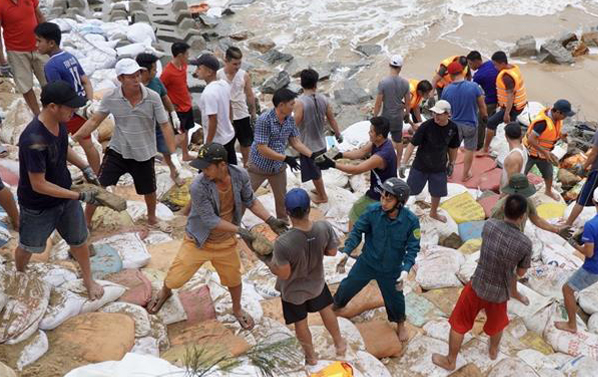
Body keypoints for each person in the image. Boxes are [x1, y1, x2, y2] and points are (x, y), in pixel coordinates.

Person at [145, 143, 277, 330]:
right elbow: (210, 220)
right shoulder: (199, 185)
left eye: (207, 167)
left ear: (222, 165)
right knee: (176, 277)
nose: (203, 171)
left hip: (225, 242)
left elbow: (251, 200)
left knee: (234, 279)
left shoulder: (240, 175)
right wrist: (240, 231)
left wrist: (270, 220)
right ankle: (165, 291)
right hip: (198, 241)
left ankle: (237, 308)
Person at [15, 81, 103, 298]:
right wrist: (79, 195)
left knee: (79, 240)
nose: (73, 111)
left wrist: (85, 167)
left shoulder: (59, 123)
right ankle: (19, 274)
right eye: (69, 107)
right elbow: (39, 184)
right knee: (29, 246)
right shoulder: (33, 139)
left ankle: (88, 280)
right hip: (38, 206)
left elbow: (63, 149)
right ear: (53, 106)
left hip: (65, 197)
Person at [432, 194, 532, 371]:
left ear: (503, 209)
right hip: (500, 293)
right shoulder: (525, 243)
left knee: (459, 323)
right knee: (497, 324)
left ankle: (450, 360)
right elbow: (521, 272)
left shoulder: (490, 225)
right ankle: (493, 350)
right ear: (523, 216)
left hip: (478, 285)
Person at [73, 59, 175, 232]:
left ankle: (152, 218)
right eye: (131, 77)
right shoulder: (112, 97)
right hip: (118, 150)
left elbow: (165, 124)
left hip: (144, 153)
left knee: (149, 189)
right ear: (121, 79)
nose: (136, 80)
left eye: (138, 75)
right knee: (100, 185)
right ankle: (85, 222)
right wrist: (74, 138)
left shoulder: (152, 97)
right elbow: (95, 120)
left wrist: (172, 152)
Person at [266, 188, 346, 364]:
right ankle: (340, 344)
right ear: (309, 208)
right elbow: (332, 252)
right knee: (326, 310)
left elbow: (285, 273)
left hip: (294, 292)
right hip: (316, 283)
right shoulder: (323, 226)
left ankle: (311, 357)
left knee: (300, 323)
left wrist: (272, 266)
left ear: (287, 212)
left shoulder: (283, 242)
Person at [334, 178, 419, 343]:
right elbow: (357, 231)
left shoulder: (411, 221)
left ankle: (400, 323)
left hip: (391, 268)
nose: (384, 202)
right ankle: (336, 305)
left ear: (400, 202)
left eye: (389, 199)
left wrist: (405, 270)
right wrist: (346, 252)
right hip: (367, 261)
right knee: (348, 285)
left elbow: (413, 248)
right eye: (382, 197)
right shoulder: (372, 211)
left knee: (395, 298)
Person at [489, 173, 570, 304]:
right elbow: (493, 229)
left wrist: (557, 230)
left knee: (513, 269)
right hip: (500, 239)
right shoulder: (500, 208)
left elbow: (536, 219)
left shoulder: (527, 202)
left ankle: (513, 291)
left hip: (516, 237)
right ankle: (506, 289)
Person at [248, 87, 320, 228]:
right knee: (245, 196)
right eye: (291, 104)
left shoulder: (289, 120)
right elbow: (262, 149)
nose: (294, 106)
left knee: (281, 199)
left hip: (278, 168)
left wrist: (313, 155)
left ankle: (283, 225)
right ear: (281, 105)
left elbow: (295, 142)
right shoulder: (264, 120)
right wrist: (286, 158)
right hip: (258, 166)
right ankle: (234, 224)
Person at [35, 21, 100, 172]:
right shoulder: (70, 57)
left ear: (51, 43)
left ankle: (57, 175)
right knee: (88, 144)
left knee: (57, 145)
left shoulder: (51, 66)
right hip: (80, 106)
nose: (36, 45)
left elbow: (57, 93)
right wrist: (87, 103)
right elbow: (85, 81)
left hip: (67, 110)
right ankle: (97, 175)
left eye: (39, 41)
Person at [554, 186, 598, 333]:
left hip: (594, 267)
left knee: (567, 290)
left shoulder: (592, 225)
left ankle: (571, 325)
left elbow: (589, 253)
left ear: (593, 201)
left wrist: (574, 244)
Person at [317, 117, 396, 231]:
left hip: (380, 193)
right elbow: (361, 152)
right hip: (386, 190)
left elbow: (356, 170)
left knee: (355, 211)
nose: (369, 133)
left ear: (379, 136)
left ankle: (350, 243)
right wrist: (340, 155)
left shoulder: (381, 156)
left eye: (371, 131)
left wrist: (332, 165)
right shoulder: (380, 142)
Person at [402, 101, 460, 222]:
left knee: (437, 192)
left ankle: (433, 213)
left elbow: (453, 147)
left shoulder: (453, 128)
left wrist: (452, 163)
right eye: (434, 113)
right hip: (420, 165)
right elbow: (412, 144)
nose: (436, 116)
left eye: (439, 114)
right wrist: (403, 163)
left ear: (447, 114)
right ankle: (400, 211)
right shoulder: (426, 126)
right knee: (409, 190)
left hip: (439, 167)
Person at [0, 0, 46, 115]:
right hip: (17, 52)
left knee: (49, 81)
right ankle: (37, 115)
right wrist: (2, 61)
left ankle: (50, 111)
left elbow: (39, 15)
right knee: (25, 86)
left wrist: (49, 38)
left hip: (39, 47)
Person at [294, 68, 342, 205]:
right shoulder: (324, 99)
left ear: (301, 83)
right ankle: (320, 191)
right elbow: (332, 119)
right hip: (321, 142)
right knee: (317, 169)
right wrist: (338, 133)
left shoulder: (300, 102)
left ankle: (322, 196)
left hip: (307, 145)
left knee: (314, 173)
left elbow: (295, 124)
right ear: (316, 83)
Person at [136, 53, 181, 183]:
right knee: (145, 155)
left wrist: (173, 113)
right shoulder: (135, 86)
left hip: (160, 126)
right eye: (154, 69)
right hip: (143, 129)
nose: (156, 72)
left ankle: (174, 173)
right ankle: (148, 177)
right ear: (144, 71)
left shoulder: (156, 81)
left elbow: (164, 97)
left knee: (167, 150)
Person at [441, 59, 487, 181]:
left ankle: (450, 166)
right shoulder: (474, 87)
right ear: (463, 71)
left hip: (454, 124)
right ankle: (465, 174)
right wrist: (485, 117)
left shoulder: (446, 89)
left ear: (450, 75)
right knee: (469, 150)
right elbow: (482, 106)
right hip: (470, 124)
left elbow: (444, 109)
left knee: (452, 148)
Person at [523, 99, 574, 201]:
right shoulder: (542, 123)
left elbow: (552, 132)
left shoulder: (557, 120)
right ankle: (512, 193)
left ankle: (548, 191)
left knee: (548, 173)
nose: (565, 117)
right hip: (530, 153)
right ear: (557, 112)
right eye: (564, 115)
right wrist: (545, 152)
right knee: (521, 174)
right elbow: (531, 139)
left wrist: (562, 136)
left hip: (542, 154)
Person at [192, 53, 237, 165]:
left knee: (205, 171)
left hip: (218, 141)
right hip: (229, 135)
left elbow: (213, 120)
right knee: (230, 168)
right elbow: (230, 105)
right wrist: (229, 124)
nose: (197, 70)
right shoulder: (224, 84)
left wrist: (208, 145)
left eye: (199, 68)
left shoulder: (208, 93)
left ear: (209, 72)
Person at [480, 51, 527, 154]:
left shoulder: (506, 77)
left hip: (512, 107)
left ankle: (485, 149)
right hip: (520, 104)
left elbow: (511, 96)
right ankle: (517, 147)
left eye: (496, 65)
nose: (495, 67)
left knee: (491, 123)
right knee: (513, 128)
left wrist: (506, 114)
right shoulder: (514, 68)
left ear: (502, 63)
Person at [217, 47, 256, 166]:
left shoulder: (244, 75)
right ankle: (230, 166)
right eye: (234, 64)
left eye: (239, 63)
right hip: (225, 115)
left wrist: (253, 112)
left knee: (246, 143)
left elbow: (249, 95)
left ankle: (247, 165)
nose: (237, 66)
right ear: (226, 61)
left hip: (242, 113)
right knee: (227, 144)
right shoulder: (219, 75)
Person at [160, 41, 194, 161]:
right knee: (179, 135)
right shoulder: (168, 72)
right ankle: (166, 159)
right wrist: (168, 106)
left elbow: (183, 83)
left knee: (187, 130)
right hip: (177, 108)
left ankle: (185, 154)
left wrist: (188, 94)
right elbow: (161, 89)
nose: (188, 57)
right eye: (186, 54)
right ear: (180, 55)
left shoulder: (183, 66)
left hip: (187, 104)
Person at [374, 55, 410, 166]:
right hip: (398, 117)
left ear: (390, 65)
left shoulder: (383, 82)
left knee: (380, 138)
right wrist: (407, 114)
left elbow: (378, 102)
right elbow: (408, 102)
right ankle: (398, 163)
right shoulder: (405, 83)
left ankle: (379, 161)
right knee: (398, 140)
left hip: (386, 116)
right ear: (400, 68)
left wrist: (375, 116)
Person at [467, 50, 498, 151]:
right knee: (493, 120)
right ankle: (493, 138)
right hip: (499, 98)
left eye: (470, 63)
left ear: (476, 61)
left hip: (490, 101)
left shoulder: (479, 76)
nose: (470, 66)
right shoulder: (490, 63)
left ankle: (479, 145)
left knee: (481, 121)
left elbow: (472, 90)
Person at [500, 123, 526, 188]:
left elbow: (512, 185)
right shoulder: (523, 149)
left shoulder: (513, 158)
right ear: (520, 135)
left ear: (506, 136)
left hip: (509, 195)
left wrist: (502, 197)